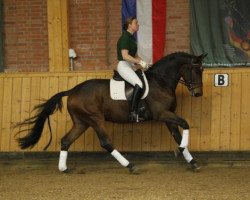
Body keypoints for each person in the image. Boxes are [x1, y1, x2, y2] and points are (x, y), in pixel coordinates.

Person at [116, 17, 149, 122]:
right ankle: (133, 112)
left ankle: (140, 107)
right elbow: (125, 56)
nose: (138, 24)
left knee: (143, 78)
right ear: (129, 25)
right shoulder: (125, 38)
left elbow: (134, 55)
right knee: (139, 84)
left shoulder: (131, 38)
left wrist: (144, 63)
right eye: (136, 23)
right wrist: (139, 62)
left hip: (129, 65)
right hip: (124, 65)